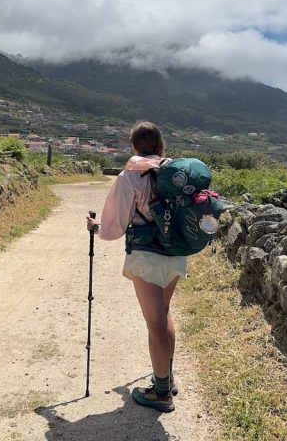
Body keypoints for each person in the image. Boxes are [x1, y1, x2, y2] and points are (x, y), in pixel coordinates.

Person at [86, 121, 184, 413]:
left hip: (146, 255)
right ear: (160, 144)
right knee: (164, 314)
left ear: (133, 146)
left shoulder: (130, 176)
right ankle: (166, 377)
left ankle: (161, 392)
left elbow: (114, 227)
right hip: (176, 253)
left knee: (155, 322)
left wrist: (96, 227)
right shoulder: (176, 173)